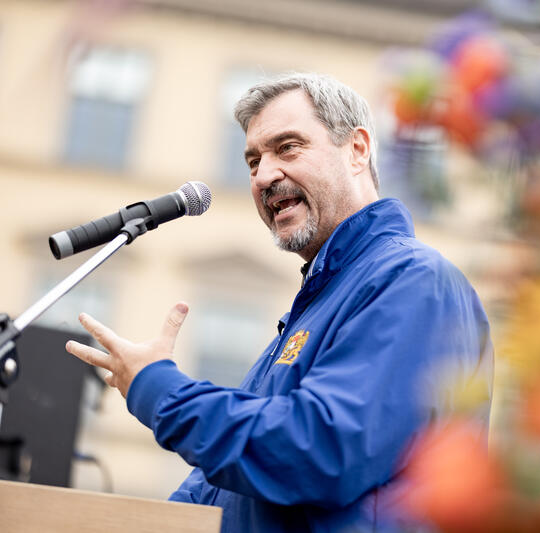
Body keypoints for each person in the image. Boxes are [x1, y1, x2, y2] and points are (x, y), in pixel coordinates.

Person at [66, 72, 494, 532]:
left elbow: (319, 452)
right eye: (252, 161)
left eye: (287, 147)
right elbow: (225, 494)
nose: (265, 174)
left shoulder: (411, 280)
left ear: (357, 149)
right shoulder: (320, 302)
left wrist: (159, 390)